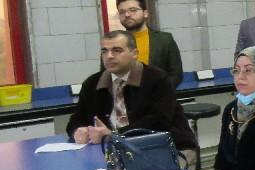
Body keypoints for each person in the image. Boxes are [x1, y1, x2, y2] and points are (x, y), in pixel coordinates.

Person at [68, 31, 196, 160]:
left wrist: (112, 135)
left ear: (134, 53)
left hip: (168, 146)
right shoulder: (92, 83)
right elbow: (75, 120)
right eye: (104, 51)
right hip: (116, 150)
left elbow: (159, 122)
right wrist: (78, 131)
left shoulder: (157, 79)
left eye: (117, 50)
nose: (109, 56)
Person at [114, 0, 183, 88]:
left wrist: (160, 93)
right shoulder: (113, 43)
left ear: (145, 13)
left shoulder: (164, 40)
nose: (127, 14)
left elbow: (176, 74)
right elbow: (105, 76)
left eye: (132, 10)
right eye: (122, 12)